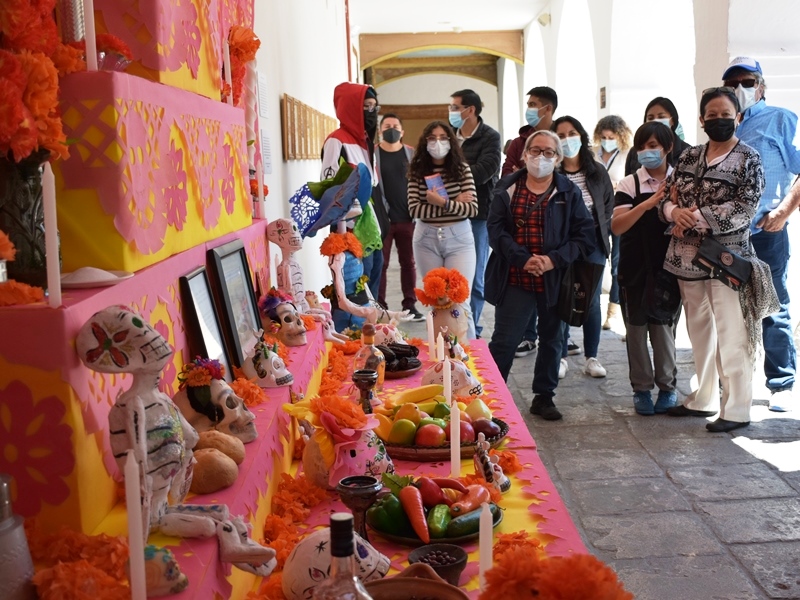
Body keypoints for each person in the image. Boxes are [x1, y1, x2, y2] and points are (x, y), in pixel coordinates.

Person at [660, 87, 764, 432]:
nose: (718, 120)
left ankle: (736, 408)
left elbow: (746, 207)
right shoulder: (689, 156)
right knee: (699, 330)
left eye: (725, 115)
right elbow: (667, 195)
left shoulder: (749, 158)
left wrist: (699, 215)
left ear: (738, 117)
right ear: (702, 119)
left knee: (732, 332)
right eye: (712, 115)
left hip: (726, 259)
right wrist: (674, 212)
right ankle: (703, 397)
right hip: (685, 258)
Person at [486, 130, 595, 420]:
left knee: (552, 338)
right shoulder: (506, 188)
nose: (541, 157)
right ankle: (491, 398)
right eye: (535, 151)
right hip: (515, 277)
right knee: (505, 340)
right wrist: (523, 259)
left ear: (558, 158)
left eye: (548, 152)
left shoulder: (569, 193)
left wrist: (551, 260)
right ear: (524, 155)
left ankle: (544, 397)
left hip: (554, 278)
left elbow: (584, 237)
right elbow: (496, 232)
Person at [722, 56, 800, 412]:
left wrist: (783, 212)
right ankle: (736, 383)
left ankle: (782, 382)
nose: (740, 88)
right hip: (729, 235)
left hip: (766, 230)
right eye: (733, 82)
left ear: (761, 86)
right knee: (732, 310)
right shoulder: (725, 124)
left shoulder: (781, 119)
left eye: (748, 81)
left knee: (773, 306)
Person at [611, 121, 679, 415]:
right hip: (635, 267)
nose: (647, 152)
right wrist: (649, 203)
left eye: (653, 146)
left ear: (668, 148)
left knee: (663, 328)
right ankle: (641, 389)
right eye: (642, 147)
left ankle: (668, 387)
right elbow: (617, 225)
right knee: (636, 329)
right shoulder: (629, 184)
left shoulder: (681, 181)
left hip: (669, 268)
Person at [552, 116, 615, 379]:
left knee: (590, 300)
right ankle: (561, 356)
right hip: (561, 244)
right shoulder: (551, 172)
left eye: (572, 133)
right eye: (562, 135)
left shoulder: (596, 170)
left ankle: (592, 357)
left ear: (582, 136)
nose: (568, 139)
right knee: (562, 296)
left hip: (593, 243)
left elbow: (608, 205)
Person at [320, 82, 384, 330]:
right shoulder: (337, 141)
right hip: (349, 230)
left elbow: (374, 186)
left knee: (372, 288)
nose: (372, 112)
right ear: (350, 109)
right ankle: (350, 343)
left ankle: (371, 340)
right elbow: (331, 187)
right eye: (366, 107)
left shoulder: (367, 142)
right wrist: (343, 233)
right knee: (352, 290)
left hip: (372, 229)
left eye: (374, 107)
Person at [502, 86, 558, 357]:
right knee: (504, 338)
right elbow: (506, 175)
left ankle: (546, 389)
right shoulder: (517, 142)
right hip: (521, 236)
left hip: (554, 244)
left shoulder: (562, 136)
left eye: (535, 104)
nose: (530, 109)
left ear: (547, 109)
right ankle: (526, 334)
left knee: (553, 325)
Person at [407, 121, 478, 337]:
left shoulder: (461, 169)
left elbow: (472, 209)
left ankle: (469, 360)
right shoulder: (418, 171)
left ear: (451, 141)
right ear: (425, 142)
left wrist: (443, 202)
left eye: (443, 137)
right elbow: (415, 209)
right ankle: (441, 358)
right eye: (432, 138)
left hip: (459, 238)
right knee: (437, 302)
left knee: (460, 301)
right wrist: (455, 203)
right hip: (426, 239)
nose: (437, 142)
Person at [448, 89, 502, 338]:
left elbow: (484, 171)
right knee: (450, 276)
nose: (452, 112)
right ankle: (451, 326)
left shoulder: (490, 137)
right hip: (447, 213)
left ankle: (473, 328)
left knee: (475, 276)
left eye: (455, 107)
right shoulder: (447, 136)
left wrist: (451, 174)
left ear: (470, 110)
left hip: (478, 216)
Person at [375, 114, 423, 320]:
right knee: (381, 263)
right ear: (380, 130)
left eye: (395, 126)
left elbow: (422, 180)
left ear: (402, 132)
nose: (391, 129)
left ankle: (410, 305)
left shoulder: (411, 154)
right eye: (387, 126)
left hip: (407, 218)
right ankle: (380, 305)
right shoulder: (373, 155)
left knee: (408, 262)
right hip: (383, 220)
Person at [594, 115, 633, 331]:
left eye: (611, 137)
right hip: (598, 214)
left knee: (618, 262)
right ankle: (593, 308)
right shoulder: (593, 154)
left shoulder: (626, 155)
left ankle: (614, 310)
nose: (607, 140)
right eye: (604, 137)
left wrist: (618, 185)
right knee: (600, 260)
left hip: (618, 212)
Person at [625, 97, 691, 176]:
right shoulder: (635, 151)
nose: (655, 121)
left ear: (672, 120)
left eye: (661, 117)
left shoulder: (688, 153)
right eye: (650, 118)